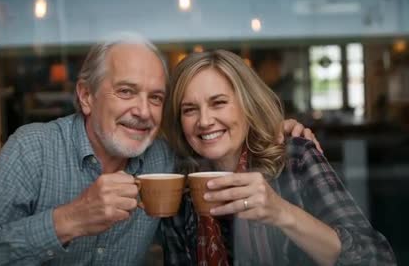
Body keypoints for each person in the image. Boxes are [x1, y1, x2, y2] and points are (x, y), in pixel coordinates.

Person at [0, 34, 316, 266]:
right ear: (86, 96)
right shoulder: (33, 149)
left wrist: (274, 131)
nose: (142, 110)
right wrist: (68, 220)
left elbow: (215, 142)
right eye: (125, 91)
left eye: (155, 97)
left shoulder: (163, 158)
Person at [160, 50, 395, 266]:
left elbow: (377, 258)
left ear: (247, 105)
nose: (204, 120)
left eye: (219, 103)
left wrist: (281, 212)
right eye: (189, 109)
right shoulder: (181, 189)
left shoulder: (295, 159)